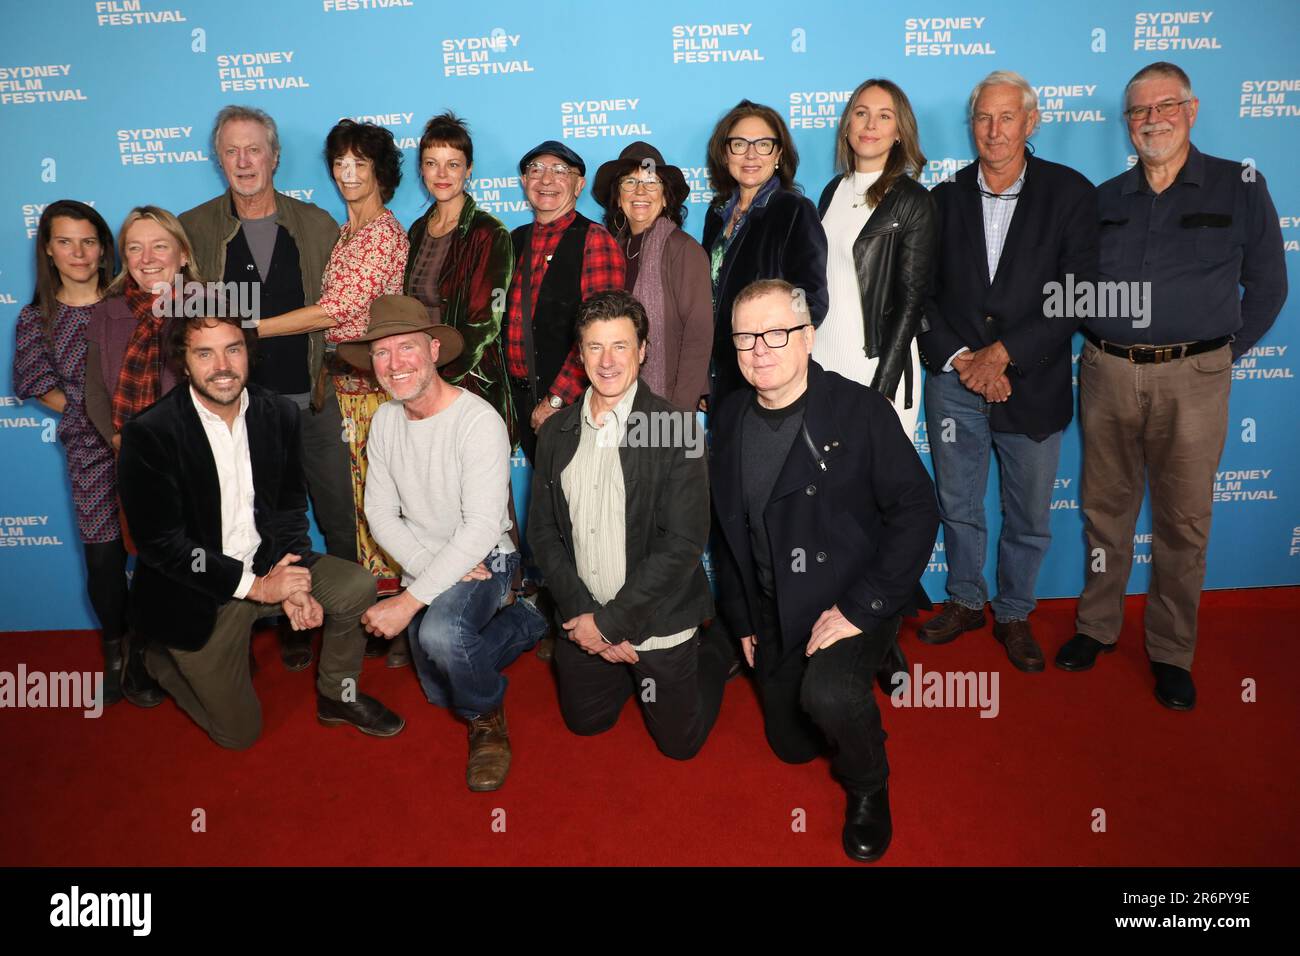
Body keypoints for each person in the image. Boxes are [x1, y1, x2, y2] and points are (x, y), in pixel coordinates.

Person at [1056, 62, 1287, 709]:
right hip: (1105, 374)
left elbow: (1269, 286)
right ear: (1126, 123)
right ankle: (1097, 627)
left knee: (1184, 523)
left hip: (1196, 379)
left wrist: (1216, 357)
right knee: (1105, 515)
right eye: (1138, 110)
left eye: (1165, 106)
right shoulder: (1100, 201)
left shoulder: (1240, 186)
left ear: (1191, 110)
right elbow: (1073, 289)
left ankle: (1170, 650)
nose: (1151, 119)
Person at [709, 279, 939, 862]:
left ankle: (870, 784)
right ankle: (873, 663)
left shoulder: (858, 410)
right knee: (791, 746)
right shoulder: (730, 414)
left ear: (808, 336)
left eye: (776, 333)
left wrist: (863, 609)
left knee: (831, 697)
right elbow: (728, 531)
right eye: (744, 338)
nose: (760, 349)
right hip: (772, 600)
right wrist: (742, 617)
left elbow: (917, 509)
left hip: (849, 593)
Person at [116, 312, 404, 749]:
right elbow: (164, 547)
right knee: (239, 735)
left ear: (248, 353)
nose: (222, 366)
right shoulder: (150, 433)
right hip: (198, 591)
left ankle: (336, 695)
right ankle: (155, 656)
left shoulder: (278, 413)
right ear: (183, 362)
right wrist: (260, 589)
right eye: (205, 353)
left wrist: (294, 583)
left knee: (355, 586)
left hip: (268, 565)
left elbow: (288, 510)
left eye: (233, 349)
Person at [916, 71, 1098, 671]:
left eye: (1006, 118)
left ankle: (1016, 612)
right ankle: (966, 600)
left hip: (1034, 380)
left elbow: (1078, 293)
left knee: (1029, 516)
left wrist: (1006, 354)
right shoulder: (941, 200)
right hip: (955, 382)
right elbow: (923, 296)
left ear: (1030, 122)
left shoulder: (1070, 193)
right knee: (959, 503)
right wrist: (965, 360)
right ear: (972, 125)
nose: (994, 131)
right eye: (983, 118)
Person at [344, 295, 548, 791]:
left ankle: (487, 721)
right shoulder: (387, 421)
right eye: (382, 353)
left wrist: (408, 602)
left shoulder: (477, 421)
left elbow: (480, 528)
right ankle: (529, 619)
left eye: (407, 348)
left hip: (486, 557)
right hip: (436, 561)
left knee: (440, 638)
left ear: (434, 349)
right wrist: (430, 567)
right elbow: (379, 513)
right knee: (440, 688)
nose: (395, 364)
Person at [180, 104, 355, 673]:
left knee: (335, 511)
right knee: (260, 517)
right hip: (238, 414)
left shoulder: (316, 224)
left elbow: (342, 313)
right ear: (218, 159)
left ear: (275, 156)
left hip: (312, 398)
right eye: (231, 151)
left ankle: (348, 622)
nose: (243, 161)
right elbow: (176, 320)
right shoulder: (194, 227)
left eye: (254, 149)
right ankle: (279, 616)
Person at [528, 290, 733, 760]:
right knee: (586, 725)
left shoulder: (676, 428)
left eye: (620, 346)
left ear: (642, 351)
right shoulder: (556, 433)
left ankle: (716, 649)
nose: (607, 361)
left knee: (680, 747)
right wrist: (588, 620)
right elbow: (543, 533)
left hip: (658, 619)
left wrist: (612, 624)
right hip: (583, 616)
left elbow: (682, 543)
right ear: (579, 354)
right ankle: (619, 671)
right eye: (595, 347)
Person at [254, 120, 409, 603]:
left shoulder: (383, 233)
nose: (347, 172)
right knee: (341, 507)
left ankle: (389, 609)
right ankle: (352, 605)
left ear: (379, 171)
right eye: (340, 163)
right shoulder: (344, 232)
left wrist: (251, 330)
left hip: (364, 388)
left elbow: (336, 309)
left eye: (359, 163)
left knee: (371, 502)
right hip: (330, 386)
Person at [12, 201, 136, 705]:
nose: (78, 253)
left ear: (103, 247)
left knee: (163, 553)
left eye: (88, 241)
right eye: (65, 241)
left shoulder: (132, 301)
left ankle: (154, 649)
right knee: (104, 559)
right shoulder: (36, 317)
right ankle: (118, 651)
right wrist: (98, 420)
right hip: (89, 451)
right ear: (48, 248)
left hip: (148, 447)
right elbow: (37, 382)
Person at [815, 78, 937, 439]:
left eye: (885, 116)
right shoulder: (833, 190)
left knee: (875, 488)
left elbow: (911, 303)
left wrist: (883, 386)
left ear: (900, 131)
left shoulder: (914, 201)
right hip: (822, 359)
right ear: (847, 125)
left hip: (877, 364)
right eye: (861, 113)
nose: (870, 125)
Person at [504, 140, 625, 464]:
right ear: (523, 181)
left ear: (578, 185)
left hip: (573, 407)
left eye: (560, 171)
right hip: (521, 402)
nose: (546, 180)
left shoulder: (594, 240)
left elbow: (603, 337)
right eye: (536, 170)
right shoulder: (513, 241)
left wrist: (556, 399)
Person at [702, 100, 828, 407]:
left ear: (779, 154)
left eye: (763, 144)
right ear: (724, 152)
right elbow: (709, 301)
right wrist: (705, 373)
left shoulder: (794, 210)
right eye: (739, 144)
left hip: (768, 373)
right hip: (722, 376)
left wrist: (768, 347)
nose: (750, 154)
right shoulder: (716, 215)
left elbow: (809, 298)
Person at [404, 111, 515, 438]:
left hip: (468, 385)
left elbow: (486, 322)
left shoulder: (489, 233)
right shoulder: (418, 231)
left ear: (469, 170)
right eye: (431, 162)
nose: (441, 173)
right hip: (419, 384)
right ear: (421, 169)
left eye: (452, 164)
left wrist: (439, 379)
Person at [591, 142, 712, 411]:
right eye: (630, 182)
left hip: (666, 405)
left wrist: (677, 412)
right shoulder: (609, 250)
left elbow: (698, 337)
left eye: (651, 182)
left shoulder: (683, 250)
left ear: (666, 196)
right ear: (617, 198)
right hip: (614, 404)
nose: (640, 191)